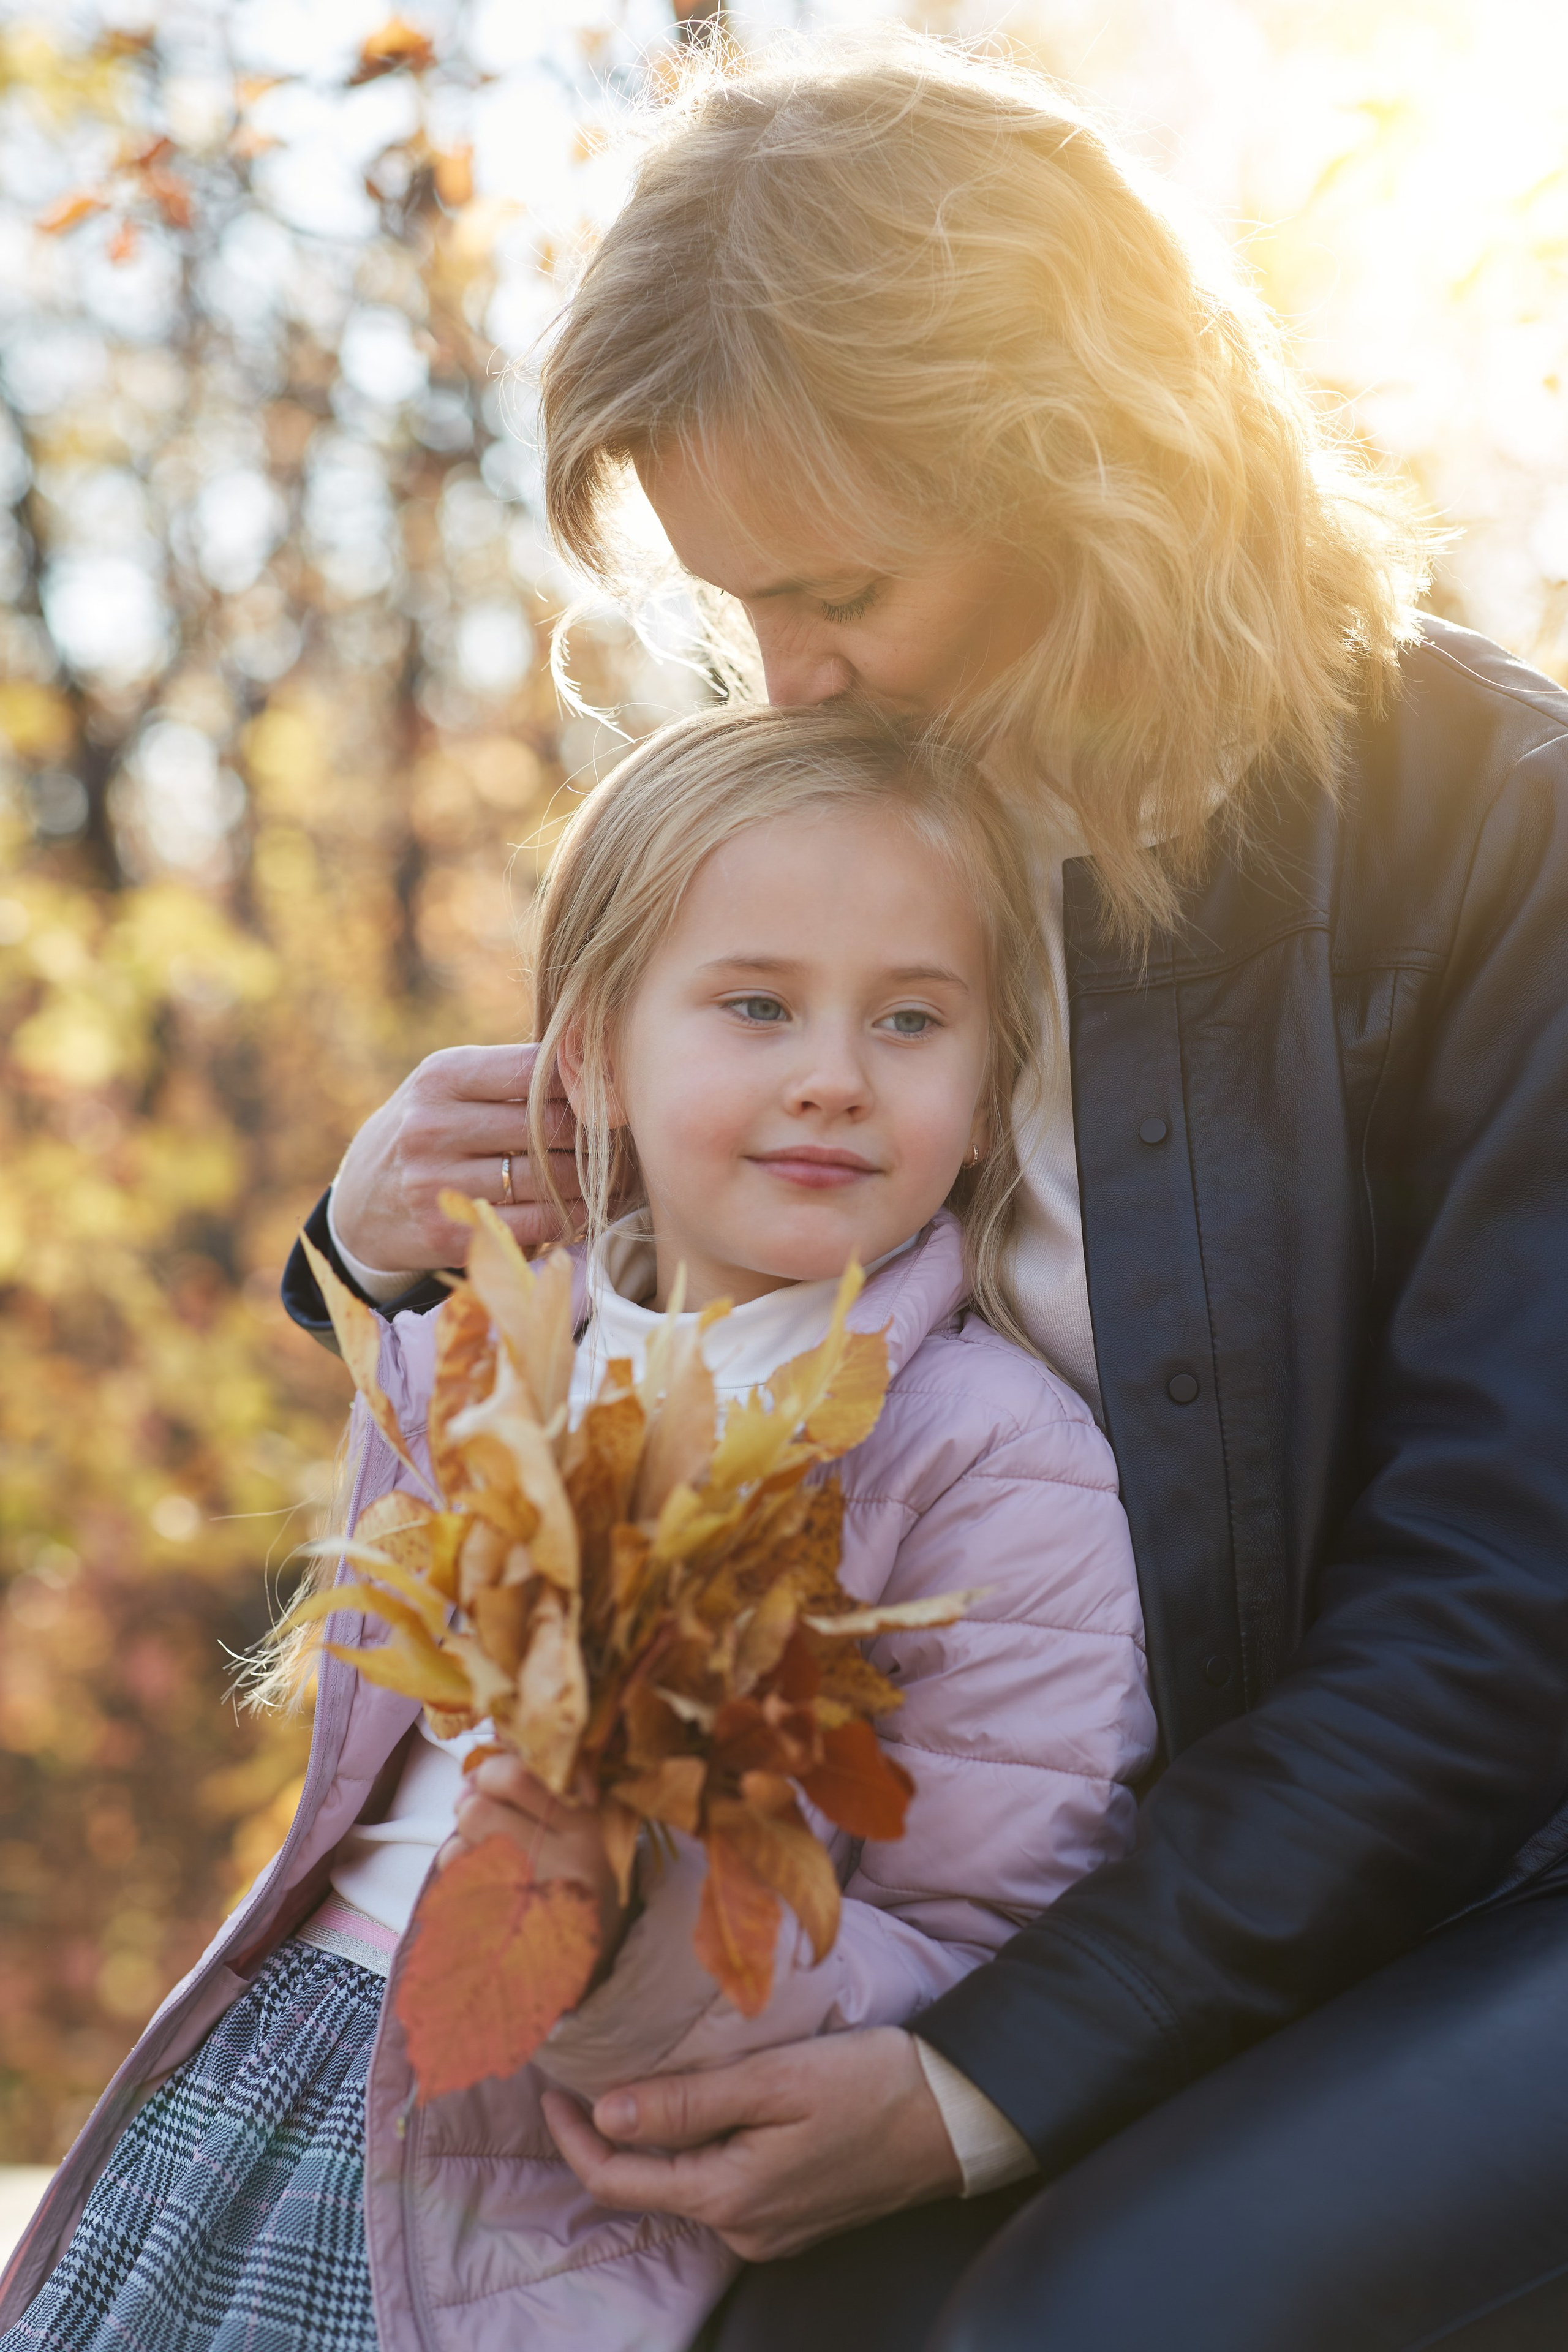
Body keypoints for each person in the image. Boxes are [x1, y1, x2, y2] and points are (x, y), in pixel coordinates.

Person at [272, 32, 1568, 2352]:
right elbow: (628, 1376)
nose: (784, 671)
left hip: (1493, 1878)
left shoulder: (1509, 851)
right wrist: (372, 1245)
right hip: (996, 1884)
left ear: (1095, 469)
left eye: (840, 581)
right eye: (733, 601)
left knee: (1070, 2318)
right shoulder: (875, 818)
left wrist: (984, 2078)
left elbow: (1496, 1621)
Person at [0, 707, 1156, 2352]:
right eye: (756, 1005)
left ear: (988, 1099)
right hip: (280, 2066)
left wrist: (643, 1935)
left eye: (912, 1020)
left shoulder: (989, 1457)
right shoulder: (488, 1343)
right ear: (596, 1053)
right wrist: (366, 1251)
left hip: (536, 2187)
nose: (834, 1075)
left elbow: (979, 1947)